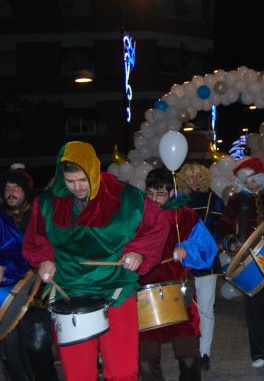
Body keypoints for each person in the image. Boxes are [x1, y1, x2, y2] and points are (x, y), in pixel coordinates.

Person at [22, 141, 170, 381]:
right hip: (70, 292)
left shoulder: (127, 197)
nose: (77, 187)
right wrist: (44, 260)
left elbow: (157, 226)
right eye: (70, 182)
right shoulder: (48, 203)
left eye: (82, 179)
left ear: (93, 170)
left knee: (123, 372)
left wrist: (138, 253)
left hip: (116, 289)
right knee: (79, 375)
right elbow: (38, 238)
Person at [139, 168, 218, 380]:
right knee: (146, 359)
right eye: (150, 193)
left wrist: (187, 250)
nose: (154, 200)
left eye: (160, 194)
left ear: (171, 193)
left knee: (189, 355)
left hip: (177, 292)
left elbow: (208, 250)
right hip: (143, 296)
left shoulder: (185, 216)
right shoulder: (135, 215)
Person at [220, 157, 264, 372]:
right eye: (248, 181)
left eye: (255, 180)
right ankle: (260, 352)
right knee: (254, 308)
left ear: (261, 179)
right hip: (248, 261)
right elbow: (224, 224)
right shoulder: (236, 201)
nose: (252, 185)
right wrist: (230, 242)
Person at [0, 166, 59, 381]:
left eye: (17, 188)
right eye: (8, 188)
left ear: (26, 191)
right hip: (5, 295)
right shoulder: (1, 219)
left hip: (36, 290)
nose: (11, 192)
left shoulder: (38, 215)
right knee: (10, 352)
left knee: (37, 344)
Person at [176, 163, 224, 370]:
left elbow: (220, 230)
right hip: (182, 263)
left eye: (197, 177)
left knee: (205, 309)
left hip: (206, 262)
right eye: (189, 177)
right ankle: (189, 350)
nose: (193, 181)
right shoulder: (176, 201)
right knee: (183, 309)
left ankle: (204, 352)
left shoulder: (214, 200)